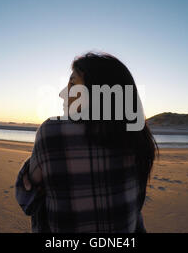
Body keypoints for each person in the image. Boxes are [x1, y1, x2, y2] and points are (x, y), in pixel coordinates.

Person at [15, 52, 158, 233]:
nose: (62, 94)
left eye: (73, 84)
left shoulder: (52, 132)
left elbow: (25, 198)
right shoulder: (137, 138)